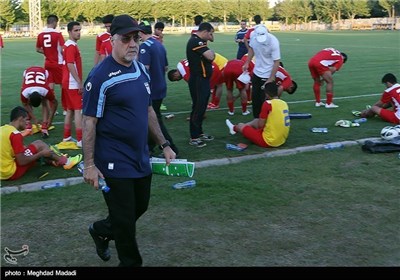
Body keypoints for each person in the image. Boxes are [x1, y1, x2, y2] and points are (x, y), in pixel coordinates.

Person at [82, 14, 176, 267]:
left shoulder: (138, 68)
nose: (133, 43)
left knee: (139, 208)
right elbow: (89, 121)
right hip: (112, 159)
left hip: (139, 155)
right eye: (126, 39)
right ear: (112, 40)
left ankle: (101, 230)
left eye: (136, 38)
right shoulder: (100, 77)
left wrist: (165, 144)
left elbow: (148, 111)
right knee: (125, 222)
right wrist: (89, 164)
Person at [0, 106, 82, 181]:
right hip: (11, 172)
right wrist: (41, 153)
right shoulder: (15, 134)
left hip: (2, 172)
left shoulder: (3, 129)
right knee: (39, 144)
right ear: (20, 119)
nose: (28, 123)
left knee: (28, 149)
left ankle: (53, 161)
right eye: (26, 119)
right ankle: (67, 162)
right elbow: (22, 161)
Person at [138, 21, 179, 156]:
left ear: (140, 32)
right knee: (150, 118)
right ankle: (149, 147)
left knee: (155, 120)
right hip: (161, 85)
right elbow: (166, 67)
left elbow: (145, 70)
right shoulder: (158, 44)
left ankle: (171, 148)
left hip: (152, 88)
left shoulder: (144, 47)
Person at [225, 82, 290, 148]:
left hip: (269, 141)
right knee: (256, 121)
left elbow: (260, 125)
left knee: (241, 126)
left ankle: (234, 128)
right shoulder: (284, 103)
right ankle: (244, 130)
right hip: (282, 139)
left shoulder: (268, 103)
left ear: (267, 94)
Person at [186, 22, 216, 148]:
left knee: (202, 106)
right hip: (198, 79)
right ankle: (194, 137)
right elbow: (210, 56)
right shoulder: (195, 41)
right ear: (204, 31)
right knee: (198, 107)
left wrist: (209, 48)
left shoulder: (200, 41)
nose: (211, 36)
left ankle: (199, 132)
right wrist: (211, 53)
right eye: (210, 33)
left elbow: (210, 51)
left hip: (203, 79)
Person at [243, 24, 281, 119]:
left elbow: (277, 61)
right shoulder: (253, 37)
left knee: (265, 99)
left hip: (268, 73)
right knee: (255, 98)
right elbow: (251, 49)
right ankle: (256, 119)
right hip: (257, 72)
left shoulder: (274, 41)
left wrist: (271, 78)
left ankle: (266, 119)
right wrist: (247, 62)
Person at [36, 15, 65, 113]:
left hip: (47, 63)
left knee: (50, 87)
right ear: (54, 22)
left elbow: (37, 49)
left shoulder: (40, 34)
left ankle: (53, 109)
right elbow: (62, 49)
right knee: (63, 85)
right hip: (58, 63)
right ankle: (66, 108)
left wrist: (46, 53)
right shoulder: (57, 34)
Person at [20, 66, 58, 138]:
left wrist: (50, 119)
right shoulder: (24, 92)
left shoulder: (45, 90)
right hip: (27, 71)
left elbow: (55, 103)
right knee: (26, 103)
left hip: (43, 72)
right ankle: (28, 123)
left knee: (45, 100)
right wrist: (34, 119)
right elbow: (25, 104)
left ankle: (44, 124)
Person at [62, 21, 83, 147]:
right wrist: (79, 82)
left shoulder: (69, 45)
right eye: (76, 30)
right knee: (78, 110)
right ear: (69, 32)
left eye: (79, 30)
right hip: (72, 83)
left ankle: (66, 136)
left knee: (69, 110)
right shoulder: (71, 46)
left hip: (67, 82)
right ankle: (80, 139)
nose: (78, 32)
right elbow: (70, 64)